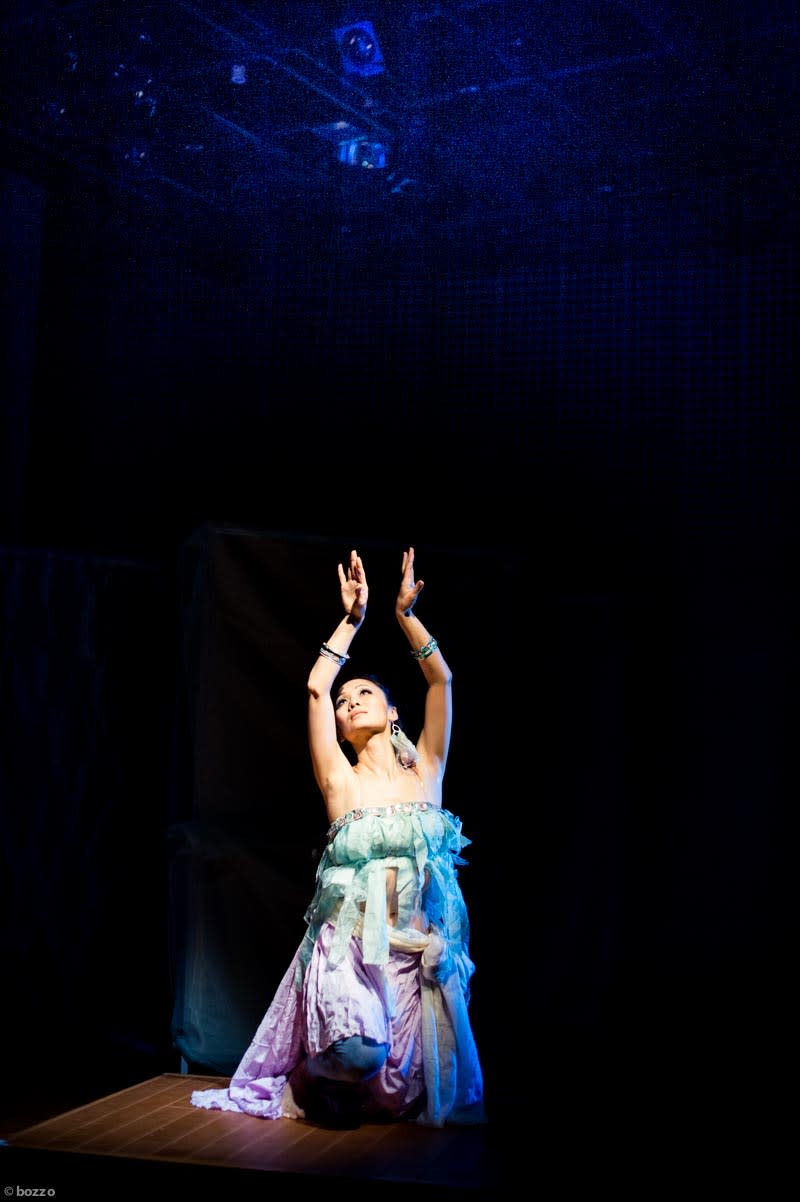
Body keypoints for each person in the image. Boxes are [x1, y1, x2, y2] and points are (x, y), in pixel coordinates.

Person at [190, 546, 484, 1128]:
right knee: (358, 1055)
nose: (350, 703)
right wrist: (352, 620)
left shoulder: (427, 770)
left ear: (393, 713)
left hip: (410, 952)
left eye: (364, 694)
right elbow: (316, 689)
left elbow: (442, 679)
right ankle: (305, 1073)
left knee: (396, 1098)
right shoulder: (339, 782)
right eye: (346, 702)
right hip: (350, 945)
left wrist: (405, 616)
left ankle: (342, 1089)